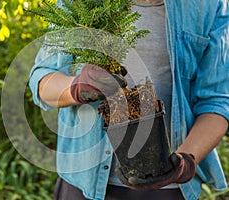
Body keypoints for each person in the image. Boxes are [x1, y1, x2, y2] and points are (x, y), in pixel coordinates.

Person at [29, 0, 229, 199]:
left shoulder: (209, 7)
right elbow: (42, 82)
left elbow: (216, 103)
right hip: (83, 184)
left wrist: (185, 161)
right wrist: (76, 88)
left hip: (167, 190)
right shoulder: (79, 4)